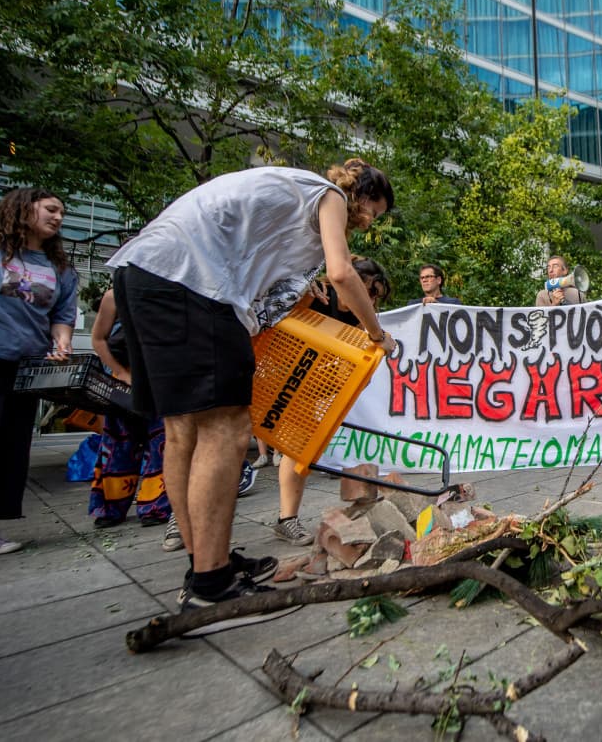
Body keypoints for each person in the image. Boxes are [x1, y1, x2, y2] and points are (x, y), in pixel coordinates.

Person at [107, 158, 397, 630]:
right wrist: (377, 332)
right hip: (194, 284)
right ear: (361, 194)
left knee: (183, 429)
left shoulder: (288, 191)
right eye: (373, 212)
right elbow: (343, 274)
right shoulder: (329, 196)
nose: (367, 223)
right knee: (226, 426)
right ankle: (210, 584)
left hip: (145, 272)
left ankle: (206, 561)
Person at [0, 188, 77, 555]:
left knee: (10, 445)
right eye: (51, 209)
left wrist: (63, 345)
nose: (58, 217)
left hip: (27, 367)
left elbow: (62, 317)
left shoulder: (60, 268)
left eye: (62, 213)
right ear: (24, 207)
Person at [273, 258, 392, 545]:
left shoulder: (354, 317)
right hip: (269, 371)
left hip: (301, 383)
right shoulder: (312, 293)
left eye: (376, 296)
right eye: (370, 291)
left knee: (301, 451)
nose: (371, 301)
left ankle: (286, 519)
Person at [88, 289, 178, 548]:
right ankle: (110, 508)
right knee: (118, 445)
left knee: (160, 444)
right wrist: (119, 372)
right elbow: (98, 339)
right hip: (123, 383)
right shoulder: (114, 295)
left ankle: (155, 506)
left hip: (158, 382)